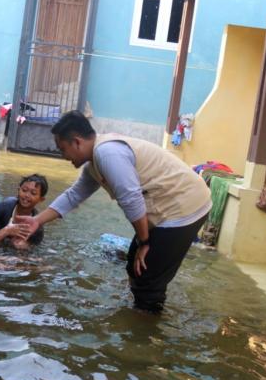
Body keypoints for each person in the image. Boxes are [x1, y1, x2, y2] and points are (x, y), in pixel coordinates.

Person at [20, 111, 211, 314]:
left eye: (62, 149)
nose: (63, 156)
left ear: (76, 142)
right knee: (133, 266)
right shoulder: (95, 161)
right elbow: (73, 195)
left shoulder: (107, 154)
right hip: (166, 209)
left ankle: (144, 331)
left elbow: (132, 199)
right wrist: (37, 221)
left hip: (185, 208)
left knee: (147, 279)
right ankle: (135, 310)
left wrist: (145, 243)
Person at [0, 174, 48, 249]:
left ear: (41, 199)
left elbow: (34, 246)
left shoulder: (37, 225)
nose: (27, 195)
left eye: (33, 193)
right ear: (18, 190)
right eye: (24, 190)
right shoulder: (5, 205)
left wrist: (27, 245)